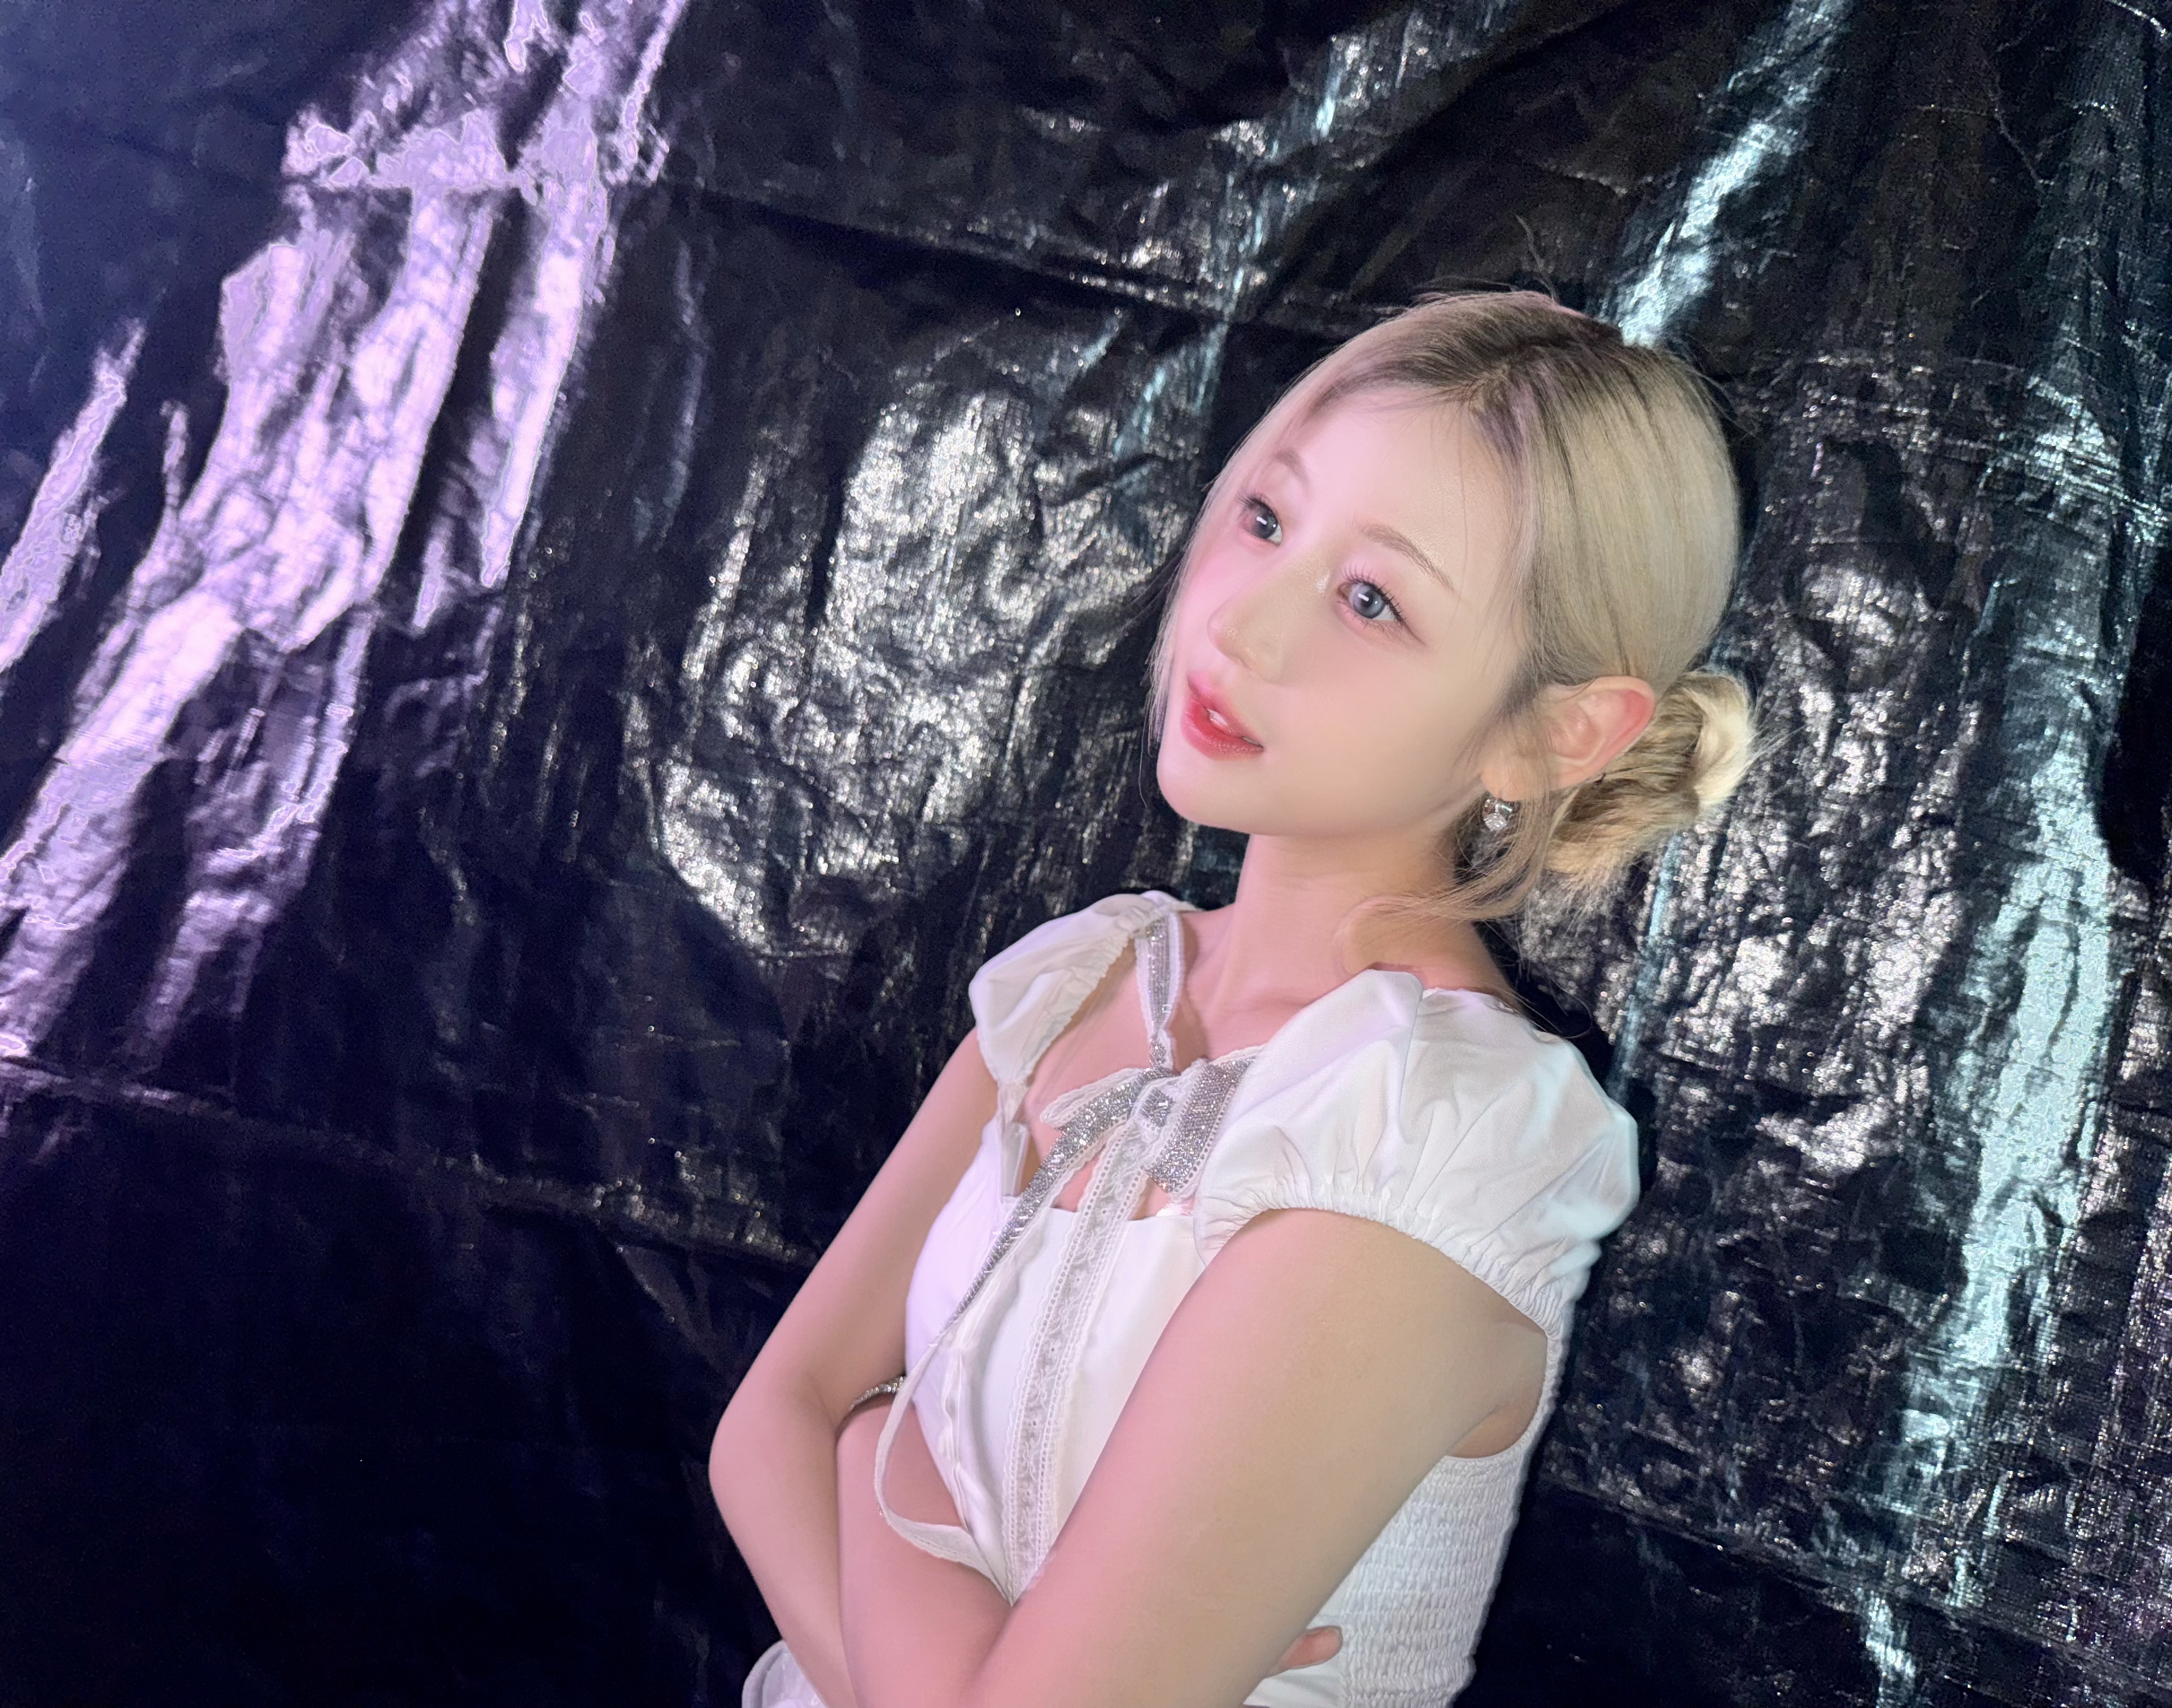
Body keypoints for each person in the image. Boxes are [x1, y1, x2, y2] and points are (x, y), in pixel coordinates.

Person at [708, 289, 1753, 1708]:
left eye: (1372, 600)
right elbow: (760, 1426)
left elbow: (817, 1428)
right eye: (1267, 517)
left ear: (1548, 732)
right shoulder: (1090, 980)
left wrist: (867, 1457)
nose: (1239, 624)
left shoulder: (1427, 1135)